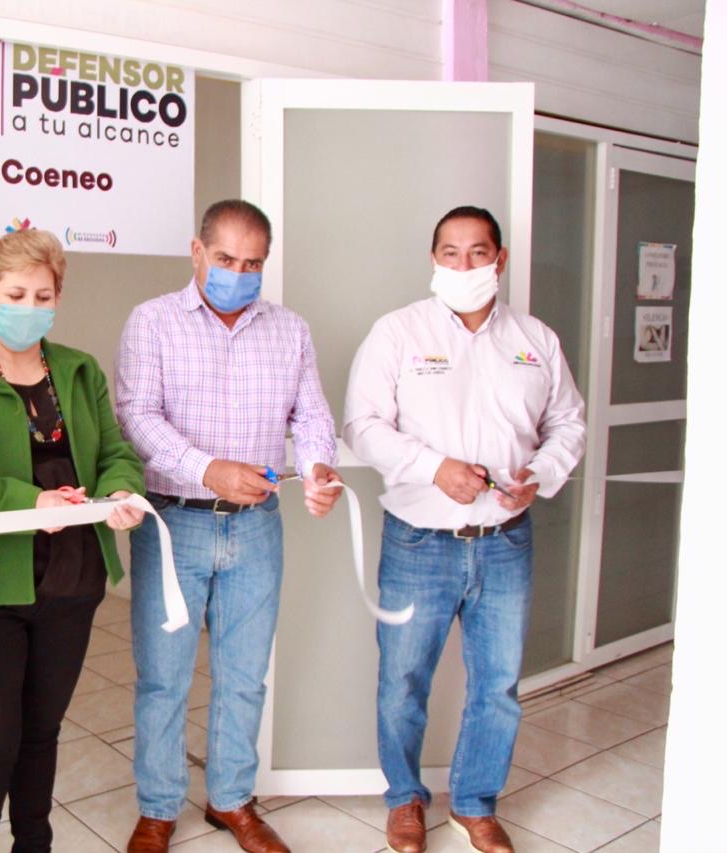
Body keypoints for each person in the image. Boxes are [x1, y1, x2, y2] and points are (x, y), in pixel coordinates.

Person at [343, 206, 586, 853]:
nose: (463, 264)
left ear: (500, 259)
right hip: (418, 541)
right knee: (402, 682)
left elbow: (569, 422)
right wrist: (434, 467)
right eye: (449, 252)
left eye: (478, 252)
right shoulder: (398, 332)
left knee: (497, 685)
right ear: (433, 259)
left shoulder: (535, 339)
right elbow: (362, 425)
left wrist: (541, 473)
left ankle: (475, 803)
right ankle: (404, 798)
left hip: (506, 541)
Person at [0, 228, 146, 852]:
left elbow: (116, 453)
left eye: (43, 296)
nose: (30, 307)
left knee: (41, 733)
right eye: (16, 295)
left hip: (70, 581)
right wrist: (29, 503)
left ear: (57, 298)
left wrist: (120, 492)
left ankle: (34, 844)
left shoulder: (78, 371)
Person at [116, 200, 343, 853]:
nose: (238, 274)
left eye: (252, 264)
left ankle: (232, 799)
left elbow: (311, 415)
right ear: (197, 252)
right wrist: (207, 469)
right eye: (225, 259)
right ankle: (158, 807)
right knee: (164, 677)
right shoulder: (152, 321)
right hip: (173, 523)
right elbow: (137, 415)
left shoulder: (290, 330)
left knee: (244, 676)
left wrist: (318, 467)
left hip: (257, 528)